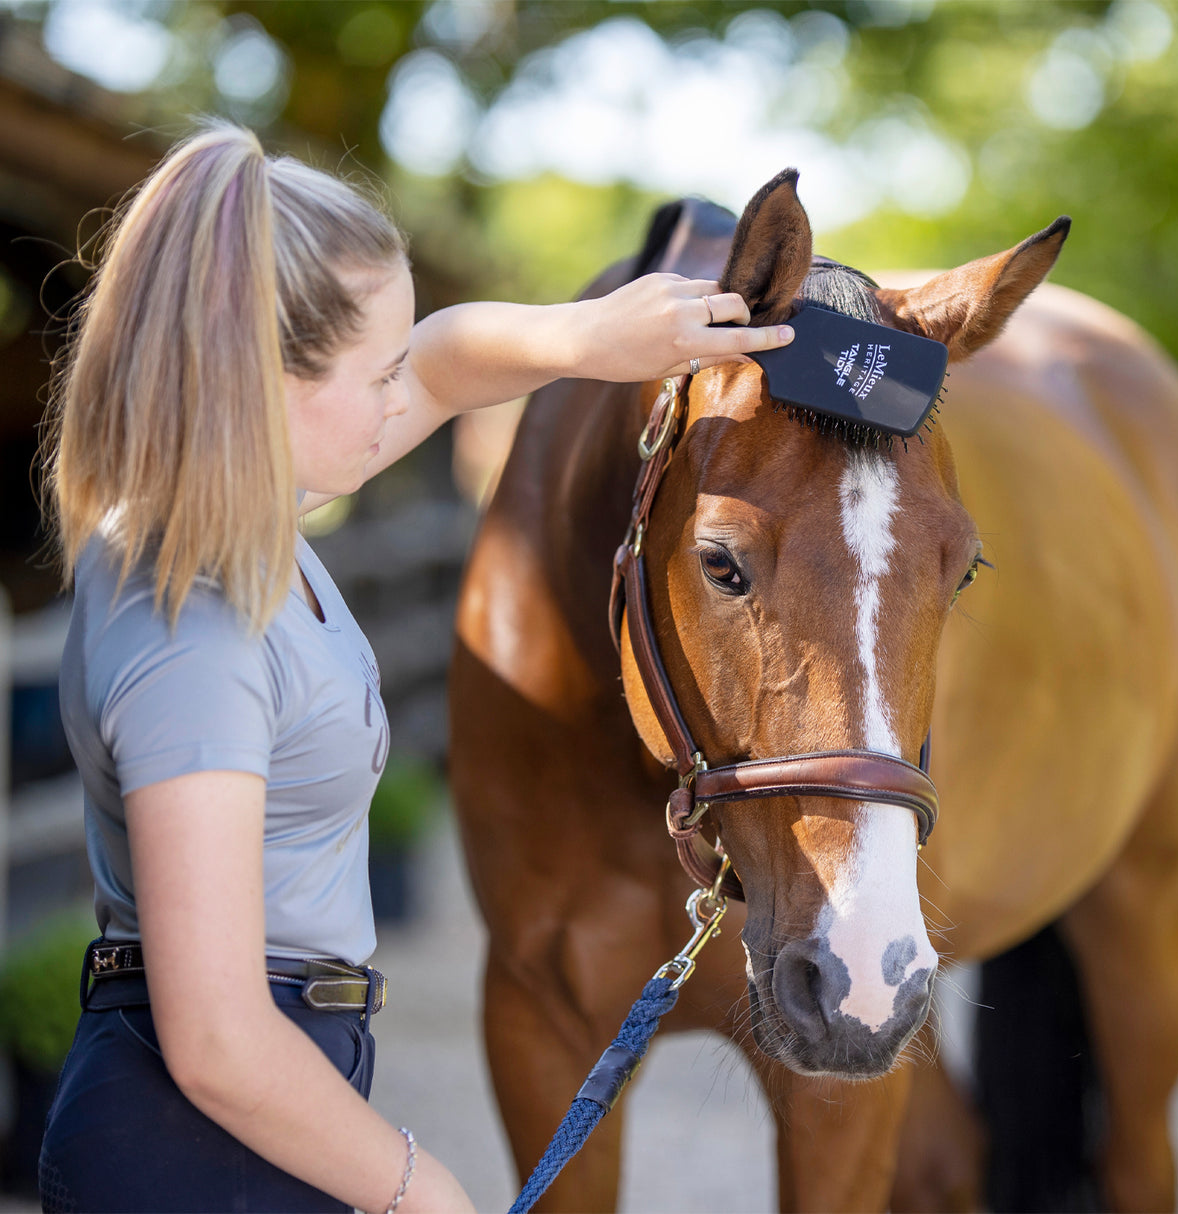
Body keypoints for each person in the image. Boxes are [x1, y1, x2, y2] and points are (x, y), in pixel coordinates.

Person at [36, 120, 793, 1214]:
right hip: (201, 1134)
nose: (409, 399)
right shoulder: (190, 628)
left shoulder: (231, 520)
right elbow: (214, 1038)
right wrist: (418, 1188)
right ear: (260, 376)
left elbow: (444, 357)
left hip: (262, 1097)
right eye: (377, 373)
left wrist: (595, 335)